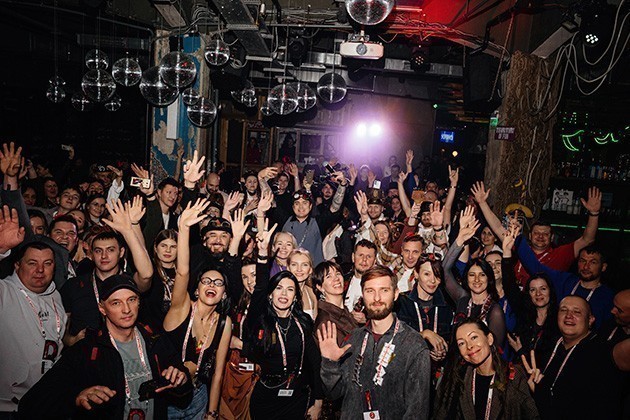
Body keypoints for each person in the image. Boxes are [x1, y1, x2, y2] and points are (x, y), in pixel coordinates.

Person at [18, 274, 193, 419]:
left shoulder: (155, 340)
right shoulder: (87, 350)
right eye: (116, 303)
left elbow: (183, 399)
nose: (126, 309)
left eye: (131, 300)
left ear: (139, 302)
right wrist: (76, 398)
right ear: (102, 308)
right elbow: (31, 404)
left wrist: (182, 381)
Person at [318, 265, 431, 419]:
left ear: (395, 294)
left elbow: (417, 412)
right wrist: (330, 364)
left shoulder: (414, 346)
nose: (377, 298)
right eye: (370, 291)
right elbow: (334, 394)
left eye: (384, 290)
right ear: (363, 295)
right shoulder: (354, 339)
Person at [244, 222, 323, 420]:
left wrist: (318, 401)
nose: (284, 294)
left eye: (290, 289)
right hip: (267, 396)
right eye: (279, 288)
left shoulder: (303, 321)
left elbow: (314, 361)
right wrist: (263, 254)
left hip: (297, 397)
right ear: (271, 294)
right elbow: (260, 288)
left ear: (296, 296)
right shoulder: (261, 319)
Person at [164, 199, 233, 419]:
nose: (212, 285)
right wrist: (184, 228)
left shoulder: (224, 322)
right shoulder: (181, 309)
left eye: (218, 283)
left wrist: (212, 412)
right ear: (196, 289)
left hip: (199, 396)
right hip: (168, 398)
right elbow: (183, 272)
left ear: (224, 294)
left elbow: (218, 373)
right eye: (206, 281)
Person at [471, 182, 601, 286]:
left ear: (552, 237)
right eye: (536, 233)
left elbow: (587, 240)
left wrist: (594, 214)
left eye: (545, 234)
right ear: (529, 236)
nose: (540, 236)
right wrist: (482, 203)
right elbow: (498, 227)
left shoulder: (561, 254)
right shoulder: (521, 248)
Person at [61, 199, 153, 342]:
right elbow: (61, 324)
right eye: (98, 251)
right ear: (91, 254)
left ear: (121, 252)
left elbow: (146, 275)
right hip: (85, 352)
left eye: (110, 250)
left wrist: (128, 230)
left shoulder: (129, 283)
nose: (104, 256)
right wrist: (68, 340)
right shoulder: (74, 285)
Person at [0, 241, 67, 415]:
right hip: (8, 408)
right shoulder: (4, 291)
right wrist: (2, 249)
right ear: (17, 265)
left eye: (47, 263)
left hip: (47, 403)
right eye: (32, 263)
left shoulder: (55, 296)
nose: (40, 270)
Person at [531, 295, 624, 419]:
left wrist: (539, 393)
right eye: (563, 310)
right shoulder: (549, 344)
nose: (569, 315)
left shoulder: (602, 353)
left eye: (577, 312)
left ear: (590, 320)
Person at [433, 319, 539, 420]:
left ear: (489, 339)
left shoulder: (513, 376)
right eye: (461, 343)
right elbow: (441, 414)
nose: (469, 346)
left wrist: (539, 390)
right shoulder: (458, 377)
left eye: (474, 337)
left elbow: (533, 415)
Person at [515, 238, 614, 330]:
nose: (586, 267)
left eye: (593, 262)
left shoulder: (608, 298)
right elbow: (535, 266)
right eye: (582, 261)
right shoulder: (565, 280)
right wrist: (517, 236)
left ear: (603, 267)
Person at [443, 207, 506, 347]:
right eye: (472, 275)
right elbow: (444, 270)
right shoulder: (462, 299)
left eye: (482, 275)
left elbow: (495, 351)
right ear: (466, 279)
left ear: (489, 278)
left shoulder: (495, 311)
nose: (477, 280)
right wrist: (460, 239)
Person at [220, 258, 260, 419]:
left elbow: (269, 350)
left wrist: (239, 344)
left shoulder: (271, 304)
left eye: (254, 275)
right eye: (245, 277)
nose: (250, 281)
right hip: (236, 370)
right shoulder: (241, 301)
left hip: (256, 374)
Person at [395, 253, 455, 362]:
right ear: (416, 274)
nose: (433, 280)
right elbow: (394, 341)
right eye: (427, 274)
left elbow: (452, 344)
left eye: (437, 275)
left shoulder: (447, 308)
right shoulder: (401, 303)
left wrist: (442, 352)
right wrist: (423, 334)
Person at [139, 229, 178, 330]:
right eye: (163, 246)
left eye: (173, 247)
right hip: (152, 329)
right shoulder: (148, 269)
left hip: (177, 327)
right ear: (156, 248)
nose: (168, 250)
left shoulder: (184, 272)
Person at [343, 239, 378, 323]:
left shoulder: (378, 286)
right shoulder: (342, 280)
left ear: (374, 261)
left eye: (369, 256)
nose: (364, 259)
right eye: (360, 255)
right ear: (353, 257)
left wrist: (368, 320)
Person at [287, 248, 318, 320]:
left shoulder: (312, 292)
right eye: (294, 264)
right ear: (288, 268)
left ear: (310, 270)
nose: (299, 269)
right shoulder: (281, 291)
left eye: (304, 265)